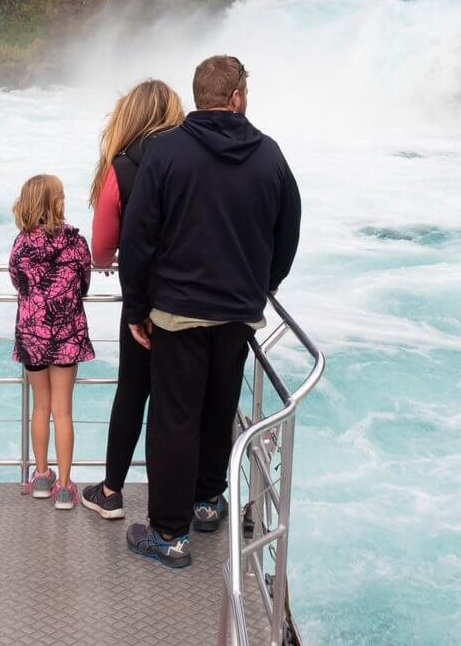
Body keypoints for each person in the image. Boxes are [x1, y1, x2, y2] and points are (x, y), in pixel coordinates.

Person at [120, 56, 301, 569]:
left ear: (199, 96)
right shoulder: (269, 155)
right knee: (218, 410)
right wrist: (264, 285)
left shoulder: (166, 152)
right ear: (237, 97)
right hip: (238, 312)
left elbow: (138, 236)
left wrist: (137, 305)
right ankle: (205, 501)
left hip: (176, 312)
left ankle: (170, 534)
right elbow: (288, 230)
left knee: (174, 418)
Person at [81, 81, 186, 521]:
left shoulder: (121, 168)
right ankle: (185, 500)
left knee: (132, 393)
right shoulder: (191, 157)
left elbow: (101, 247)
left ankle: (111, 491)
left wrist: (120, 258)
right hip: (193, 295)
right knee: (178, 401)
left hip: (143, 296)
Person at [10, 174, 94, 511]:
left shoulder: (21, 244)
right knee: (63, 410)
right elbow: (84, 282)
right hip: (66, 332)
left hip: (32, 331)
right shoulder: (75, 242)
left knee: (40, 407)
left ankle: (41, 476)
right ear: (57, 202)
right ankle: (64, 487)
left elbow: (18, 282)